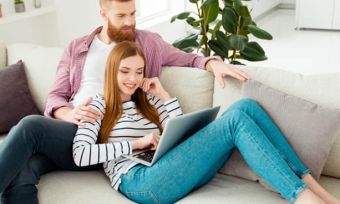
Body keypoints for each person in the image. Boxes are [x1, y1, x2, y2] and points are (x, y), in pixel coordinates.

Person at [0, 0, 249, 203]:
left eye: (133, 13)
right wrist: (69, 114)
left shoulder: (148, 43)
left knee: (30, 126)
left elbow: (187, 58)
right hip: (75, 131)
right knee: (22, 170)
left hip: (109, 135)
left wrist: (211, 62)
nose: (129, 21)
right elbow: (55, 96)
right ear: (103, 13)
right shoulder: (76, 48)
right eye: (121, 16)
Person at [72, 41, 340, 204]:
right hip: (140, 183)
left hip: (170, 171)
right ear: (111, 71)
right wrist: (134, 144)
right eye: (125, 71)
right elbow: (80, 155)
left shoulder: (148, 101)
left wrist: (164, 97)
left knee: (246, 106)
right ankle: (301, 197)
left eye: (138, 71)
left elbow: (178, 137)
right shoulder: (97, 105)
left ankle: (314, 188)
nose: (133, 79)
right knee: (234, 120)